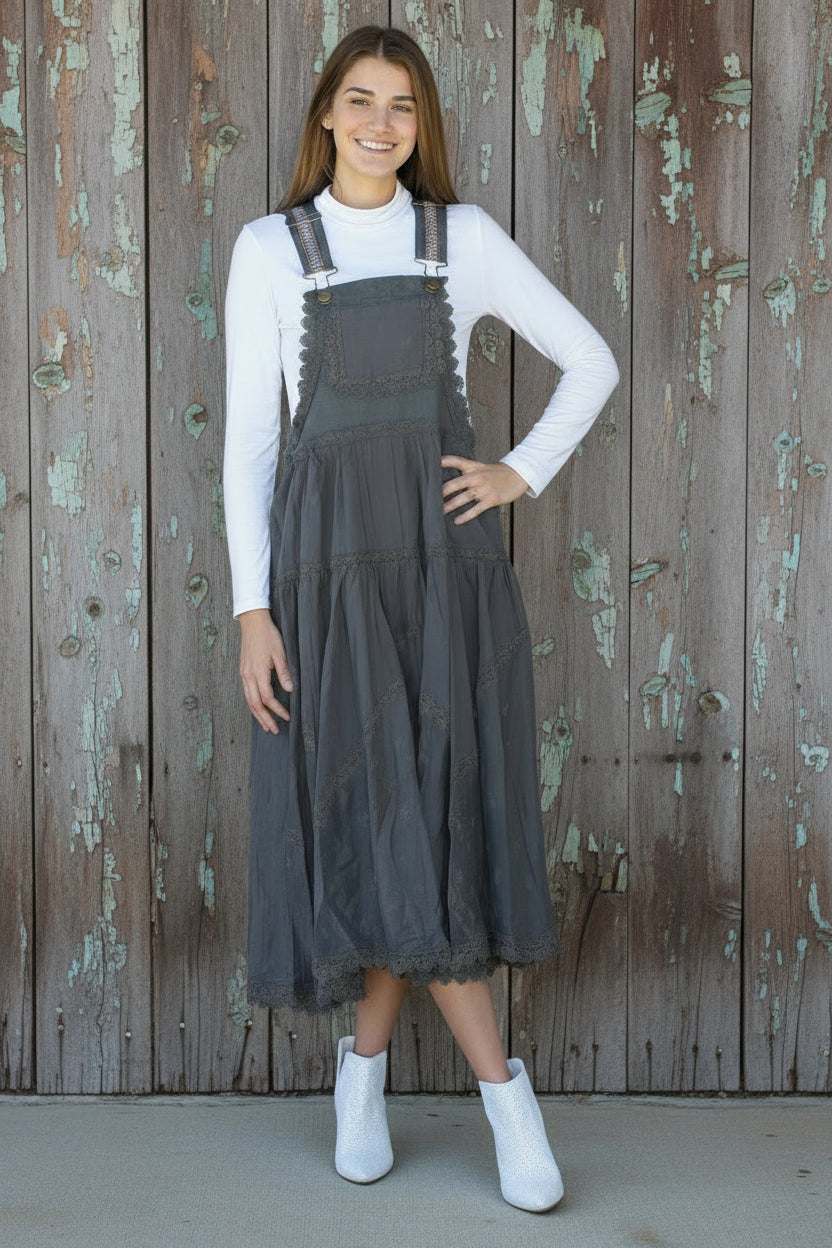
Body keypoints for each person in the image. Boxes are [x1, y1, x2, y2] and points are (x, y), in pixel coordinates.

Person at [222, 25, 619, 1212]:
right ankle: (492, 1094)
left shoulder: (462, 239)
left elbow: (589, 361)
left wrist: (516, 473)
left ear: (421, 122)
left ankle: (378, 1075)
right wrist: (253, 608)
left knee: (428, 823)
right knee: (381, 817)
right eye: (360, 101)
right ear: (327, 116)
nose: (382, 123)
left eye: (403, 105)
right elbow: (250, 448)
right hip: (326, 588)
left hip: (443, 584)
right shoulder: (272, 249)